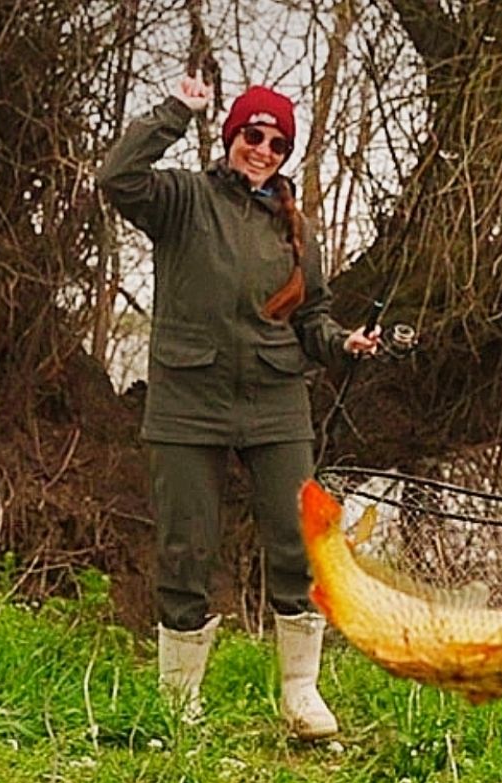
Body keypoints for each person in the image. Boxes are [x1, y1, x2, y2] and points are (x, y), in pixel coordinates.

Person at [97, 73, 380, 740]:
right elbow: (115, 176)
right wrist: (175, 111)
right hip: (187, 400)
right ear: (232, 136)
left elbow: (312, 320)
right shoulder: (181, 199)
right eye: (253, 135)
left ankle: (300, 693)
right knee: (185, 545)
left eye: (278, 142)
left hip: (276, 401)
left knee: (300, 542)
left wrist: (345, 343)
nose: (263, 149)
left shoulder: (294, 230)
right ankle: (178, 702)